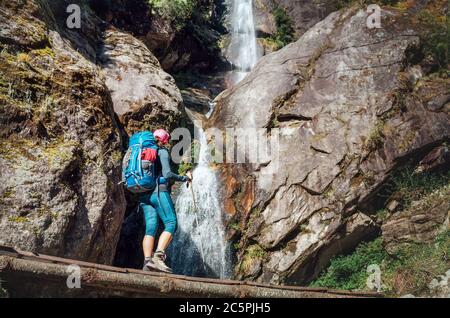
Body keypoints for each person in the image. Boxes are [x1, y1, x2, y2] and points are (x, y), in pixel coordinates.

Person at [140, 128, 192, 273]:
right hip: (158, 191)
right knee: (171, 223)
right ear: (163, 140)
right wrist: (185, 178)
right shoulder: (161, 151)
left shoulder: (142, 152)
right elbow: (167, 174)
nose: (168, 142)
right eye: (167, 140)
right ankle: (158, 257)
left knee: (151, 227)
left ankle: (147, 262)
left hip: (143, 194)